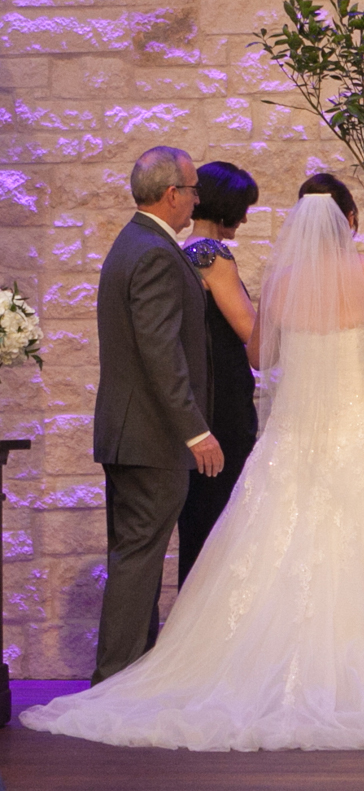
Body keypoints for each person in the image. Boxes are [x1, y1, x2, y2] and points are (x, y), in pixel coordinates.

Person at [20, 176, 364, 750]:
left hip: (296, 430)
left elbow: (259, 352)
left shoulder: (282, 281)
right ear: (350, 222)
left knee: (276, 539)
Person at [89, 146, 224, 686]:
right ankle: (114, 681)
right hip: (151, 437)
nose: (196, 198)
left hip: (132, 434)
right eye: (192, 189)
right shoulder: (154, 254)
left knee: (133, 557)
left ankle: (124, 679)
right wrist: (195, 430)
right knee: (138, 559)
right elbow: (160, 352)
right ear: (172, 194)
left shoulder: (134, 243)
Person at [177, 161, 259, 588]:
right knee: (218, 515)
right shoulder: (212, 254)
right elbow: (250, 332)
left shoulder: (184, 251)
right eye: (242, 208)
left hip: (202, 396)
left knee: (199, 515)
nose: (244, 219)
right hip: (223, 398)